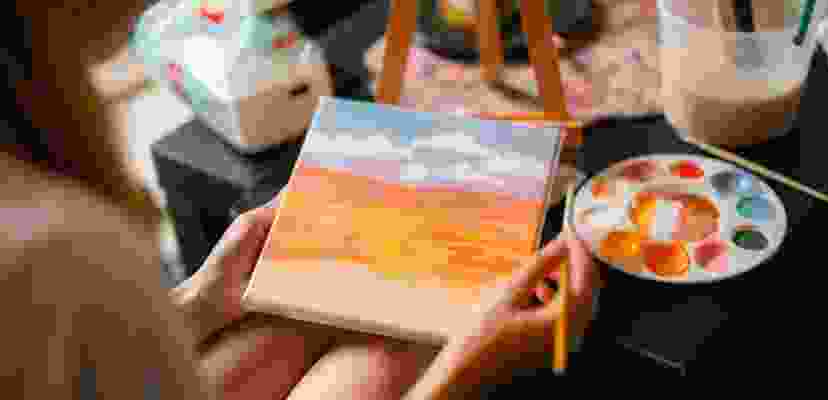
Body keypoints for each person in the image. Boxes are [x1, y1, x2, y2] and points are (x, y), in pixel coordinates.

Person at [1, 1, 598, 399]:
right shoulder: (62, 247)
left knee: (286, 330)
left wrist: (201, 302)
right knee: (388, 353)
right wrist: (469, 369)